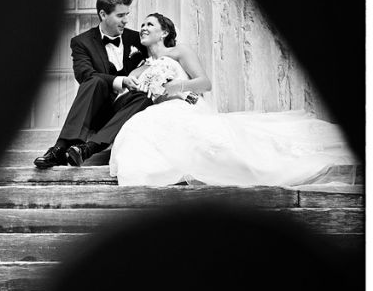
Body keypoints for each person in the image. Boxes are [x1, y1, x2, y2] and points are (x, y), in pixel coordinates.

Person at [109, 13, 357, 185]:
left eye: (149, 24)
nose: (142, 28)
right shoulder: (138, 69)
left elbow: (205, 83)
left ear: (164, 32)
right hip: (157, 112)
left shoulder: (179, 52)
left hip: (184, 106)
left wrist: (176, 86)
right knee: (137, 129)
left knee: (223, 149)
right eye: (141, 25)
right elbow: (129, 96)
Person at [34, 0, 151, 168]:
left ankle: (88, 148)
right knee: (94, 80)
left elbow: (163, 55)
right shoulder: (81, 42)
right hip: (95, 112)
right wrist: (120, 81)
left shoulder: (137, 38)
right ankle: (60, 148)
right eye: (120, 15)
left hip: (125, 111)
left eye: (127, 14)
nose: (126, 20)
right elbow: (84, 74)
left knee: (144, 97)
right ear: (103, 14)